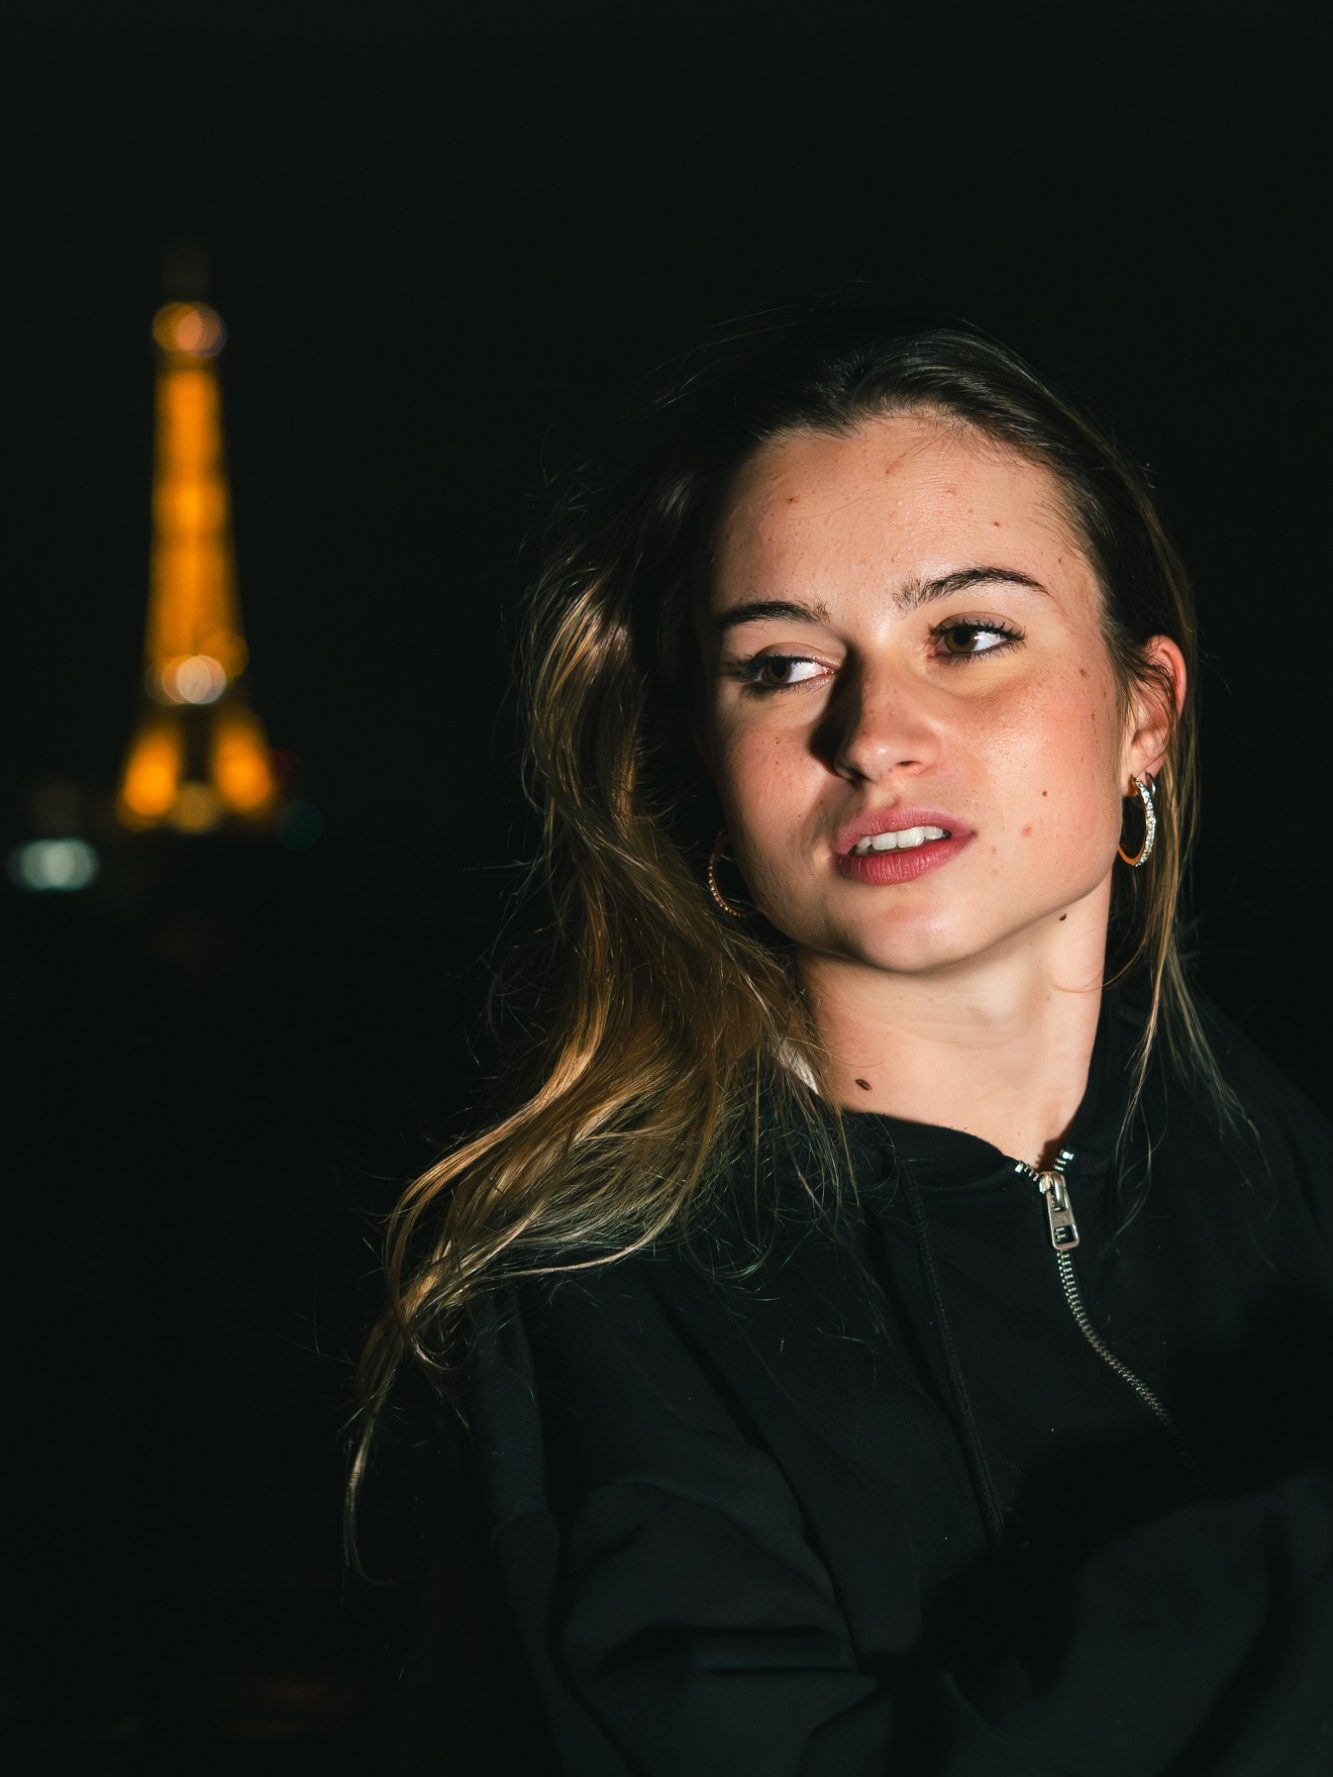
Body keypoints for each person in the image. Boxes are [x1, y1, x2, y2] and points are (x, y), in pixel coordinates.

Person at [355, 305, 1333, 1773]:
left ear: (1142, 715)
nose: (874, 729)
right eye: (780, 665)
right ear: (702, 748)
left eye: (969, 633)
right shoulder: (603, 1287)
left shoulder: (1272, 1154)